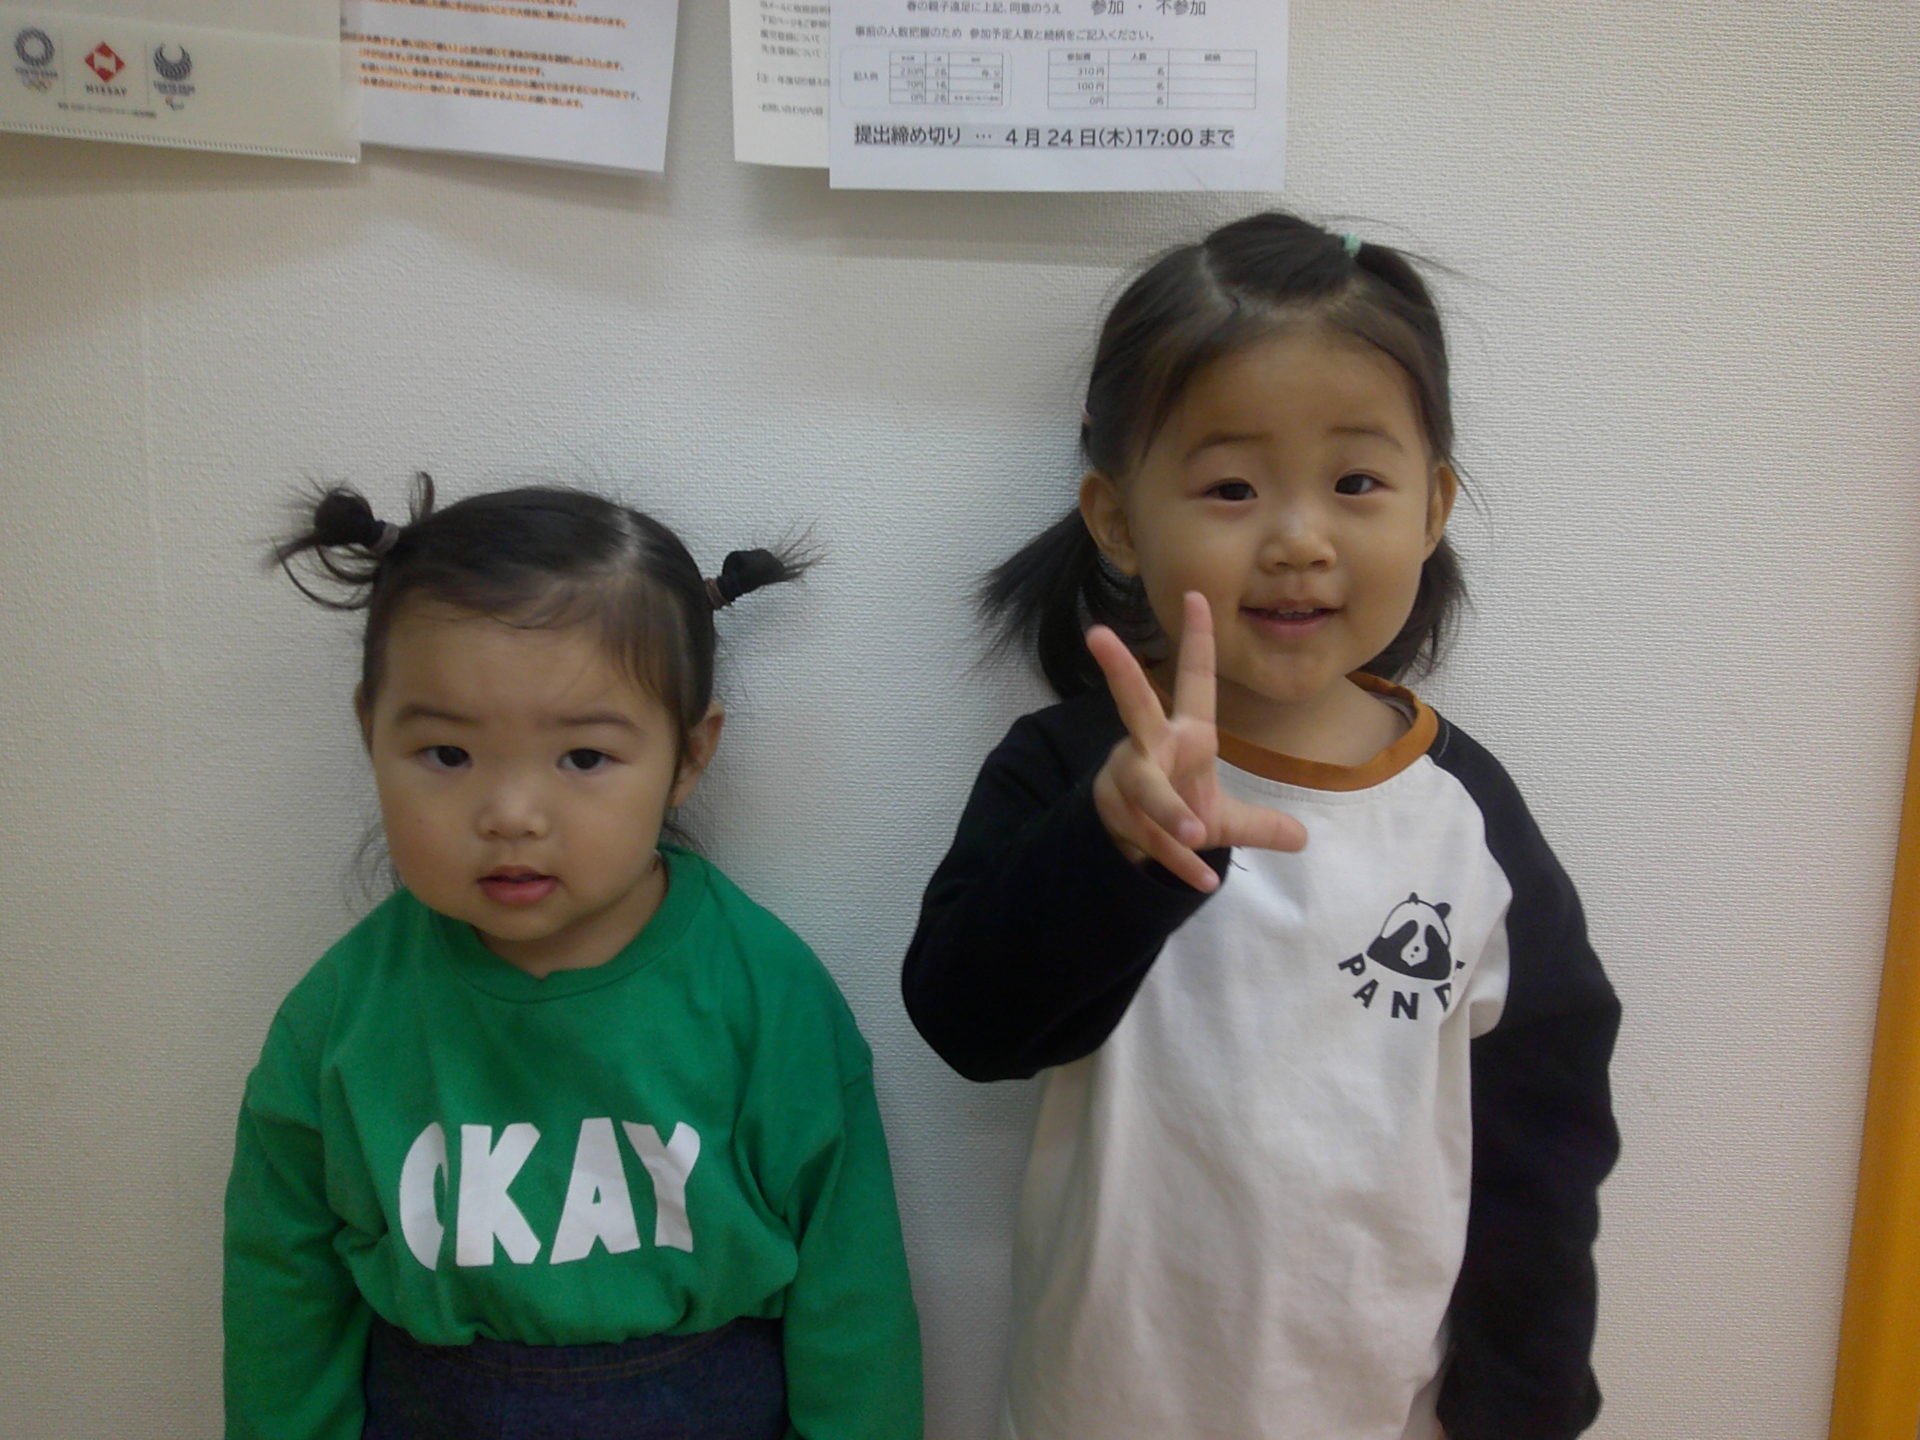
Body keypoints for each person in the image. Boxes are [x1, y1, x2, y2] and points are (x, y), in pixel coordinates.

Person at [902, 213, 1620, 1440]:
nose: (1298, 540)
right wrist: (1114, 846)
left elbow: (1542, 1151)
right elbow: (969, 1027)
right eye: (1232, 487)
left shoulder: (1465, 818)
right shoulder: (1074, 770)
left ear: (1433, 506)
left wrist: (1523, 1407)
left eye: (1357, 483)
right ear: (1117, 519)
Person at [226, 478, 921, 1440]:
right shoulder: (338, 1020)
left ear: (688, 756)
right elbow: (282, 1300)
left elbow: (854, 1300)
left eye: (584, 758)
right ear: (371, 732)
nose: (511, 814)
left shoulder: (766, 996)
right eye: (447, 754)